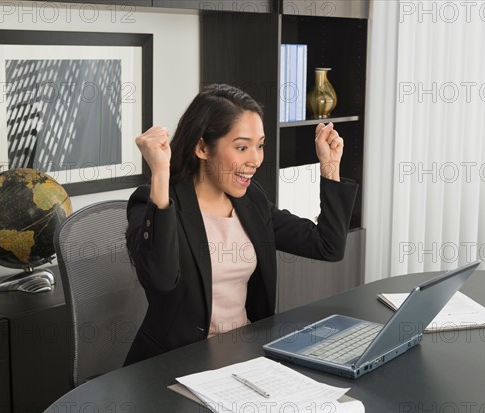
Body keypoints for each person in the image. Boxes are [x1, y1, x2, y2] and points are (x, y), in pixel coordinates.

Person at [124, 84, 358, 365]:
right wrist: (160, 173)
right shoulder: (154, 203)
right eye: (242, 147)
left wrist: (330, 168)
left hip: (245, 358)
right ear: (202, 147)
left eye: (259, 145)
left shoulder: (251, 201)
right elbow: (159, 279)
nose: (256, 159)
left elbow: (327, 246)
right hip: (176, 364)